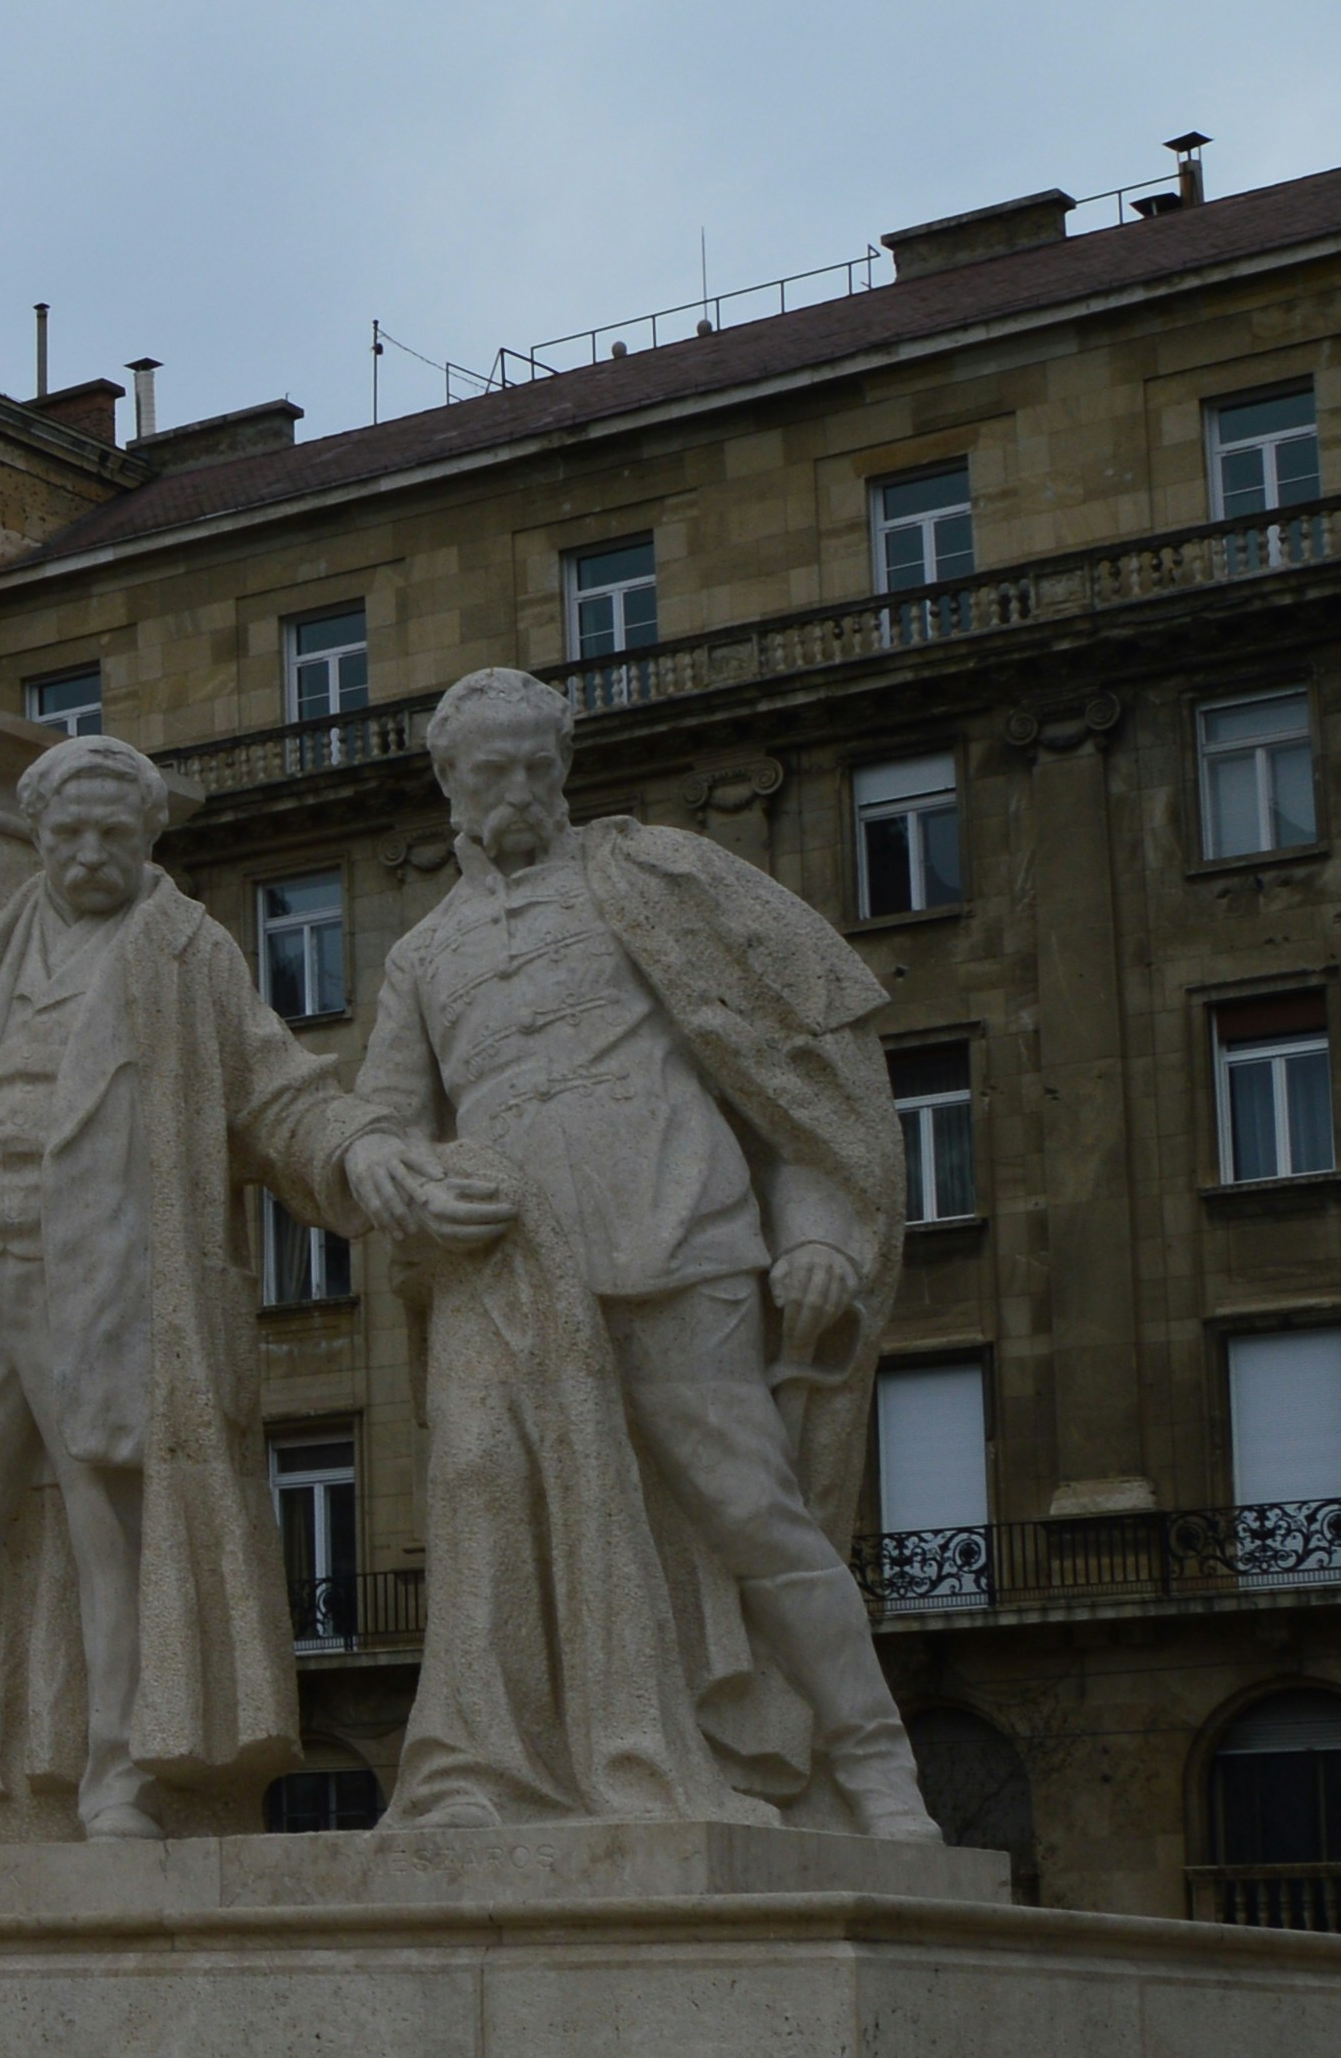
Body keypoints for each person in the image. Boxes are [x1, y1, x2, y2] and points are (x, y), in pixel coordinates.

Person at [0, 730, 426, 1852]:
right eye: (68, 833)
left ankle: (121, 1780)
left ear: (145, 839)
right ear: (37, 836)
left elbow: (278, 1094)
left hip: (112, 1286)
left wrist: (362, 1148)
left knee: (118, 1539)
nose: (89, 853)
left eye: (112, 834)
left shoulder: (188, 955)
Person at [353, 667, 931, 1837]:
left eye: (534, 763)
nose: (515, 788)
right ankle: (499, 1772)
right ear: (448, 781)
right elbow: (381, 1117)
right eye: (488, 769)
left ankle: (871, 1765)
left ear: (561, 767)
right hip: (508, 1274)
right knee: (481, 1500)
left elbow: (792, 1074)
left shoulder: (657, 881)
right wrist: (386, 1170)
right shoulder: (421, 953)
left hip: (679, 1236)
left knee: (747, 1507)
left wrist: (816, 1224)